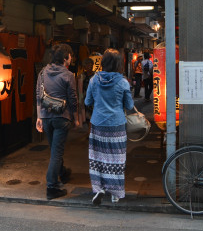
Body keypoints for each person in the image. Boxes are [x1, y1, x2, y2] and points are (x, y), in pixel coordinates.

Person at [85, 48, 134, 205]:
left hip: (98, 124)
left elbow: (87, 102)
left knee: (98, 158)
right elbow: (130, 105)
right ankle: (115, 193)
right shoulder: (123, 82)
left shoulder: (93, 80)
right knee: (116, 160)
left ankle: (99, 188)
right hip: (117, 125)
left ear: (103, 62)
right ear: (119, 64)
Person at [36, 43, 79, 200]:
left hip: (47, 118)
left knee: (54, 150)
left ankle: (62, 173)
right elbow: (73, 99)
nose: (71, 59)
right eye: (70, 56)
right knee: (56, 153)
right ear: (66, 58)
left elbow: (38, 96)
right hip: (62, 117)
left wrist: (39, 117)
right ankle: (52, 186)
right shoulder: (68, 75)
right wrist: (76, 118)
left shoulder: (42, 73)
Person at [77, 57, 95, 131]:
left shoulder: (95, 75)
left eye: (91, 65)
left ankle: (89, 133)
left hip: (93, 98)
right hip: (84, 97)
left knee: (92, 115)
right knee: (86, 116)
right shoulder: (81, 76)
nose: (89, 67)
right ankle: (89, 131)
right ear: (84, 66)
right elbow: (78, 89)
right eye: (87, 65)